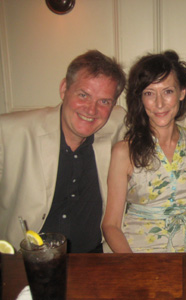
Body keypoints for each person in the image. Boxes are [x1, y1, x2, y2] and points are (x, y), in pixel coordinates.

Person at [0, 50, 126, 253]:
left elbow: (160, 122)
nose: (91, 110)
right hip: (26, 262)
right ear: (64, 88)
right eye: (83, 95)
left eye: (104, 101)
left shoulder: (117, 124)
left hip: (94, 261)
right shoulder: (10, 132)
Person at [102, 50, 186, 276]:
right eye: (150, 93)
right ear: (140, 98)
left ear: (182, 92)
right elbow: (110, 225)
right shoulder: (125, 151)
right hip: (135, 255)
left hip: (185, 258)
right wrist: (134, 265)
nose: (159, 103)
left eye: (167, 91)